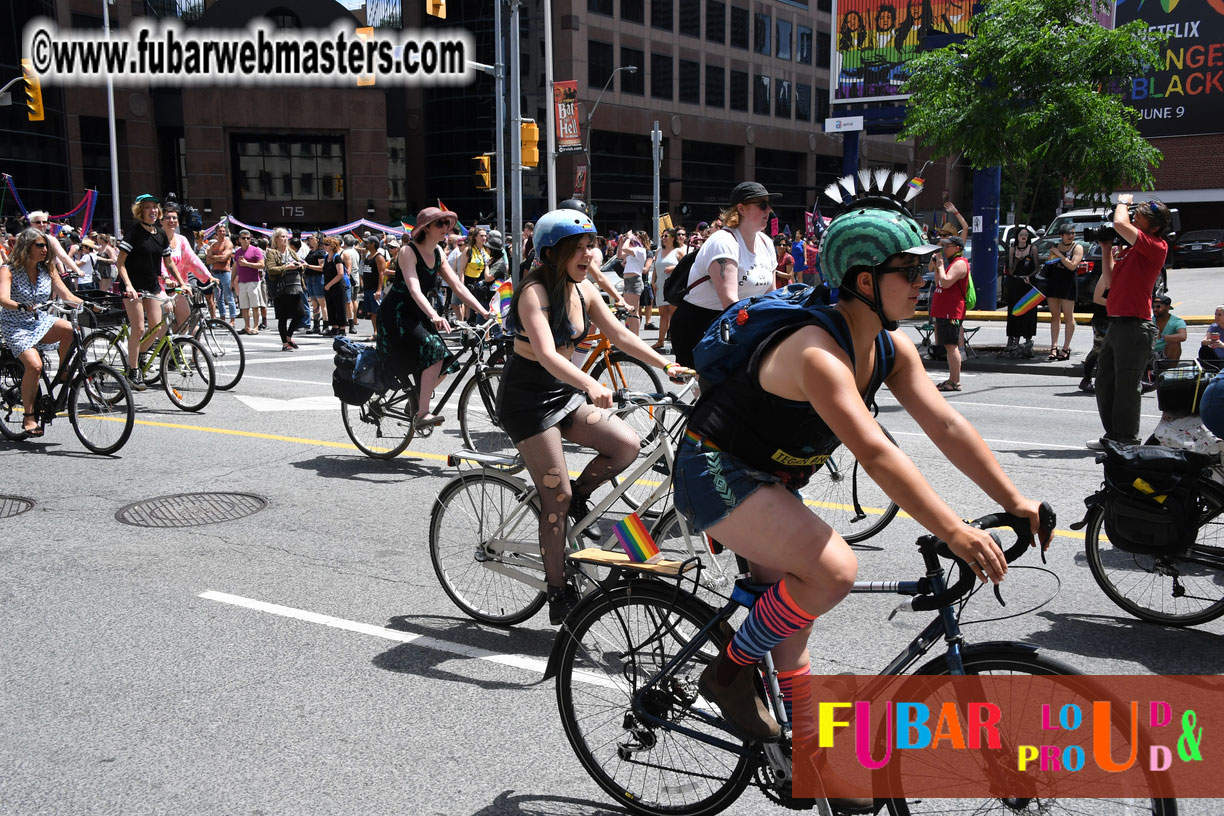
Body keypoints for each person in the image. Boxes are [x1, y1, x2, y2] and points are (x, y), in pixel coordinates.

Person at [672, 196, 1050, 749]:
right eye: (911, 270)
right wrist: (955, 531)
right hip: (717, 471)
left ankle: (806, 759)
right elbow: (875, 454)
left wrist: (1015, 500)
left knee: (792, 630)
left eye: (924, 267)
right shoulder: (815, 353)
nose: (924, 279)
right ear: (865, 281)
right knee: (833, 571)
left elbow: (945, 425)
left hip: (772, 481)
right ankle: (726, 673)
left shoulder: (888, 345)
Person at [496, 208, 694, 624]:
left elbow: (620, 334)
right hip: (527, 402)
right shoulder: (533, 292)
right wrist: (590, 384)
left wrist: (665, 364)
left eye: (591, 245)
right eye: (579, 248)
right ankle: (558, 589)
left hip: (561, 392)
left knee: (627, 445)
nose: (589, 254)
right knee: (557, 496)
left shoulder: (582, 288)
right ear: (552, 253)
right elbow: (548, 354)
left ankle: (579, 497)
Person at [378, 207, 491, 425]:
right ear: (426, 228)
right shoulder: (408, 252)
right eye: (440, 224)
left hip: (418, 313)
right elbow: (414, 288)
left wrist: (483, 311)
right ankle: (422, 414)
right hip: (397, 314)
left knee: (447, 361)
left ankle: (417, 402)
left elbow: (458, 286)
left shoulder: (438, 252)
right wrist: (434, 315)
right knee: (435, 350)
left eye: (448, 224)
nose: (446, 228)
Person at [1089, 195, 1172, 449]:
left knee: (1126, 386)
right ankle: (1113, 435)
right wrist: (1106, 249)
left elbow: (1120, 224)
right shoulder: (1131, 249)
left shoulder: (1156, 246)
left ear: (1155, 226)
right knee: (1104, 381)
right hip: (1118, 323)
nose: (1135, 215)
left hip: (1136, 326)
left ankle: (1125, 439)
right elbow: (1111, 282)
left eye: (1142, 214)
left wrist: (1123, 202)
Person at [671, 182, 780, 367]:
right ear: (741, 208)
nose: (769, 210)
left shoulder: (766, 242)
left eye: (769, 204)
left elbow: (771, 296)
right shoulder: (724, 242)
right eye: (762, 204)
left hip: (738, 322)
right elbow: (729, 301)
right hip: (702, 326)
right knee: (718, 393)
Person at [0, 229, 89, 436]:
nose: (45, 249)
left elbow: (67, 296)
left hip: (38, 320)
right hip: (15, 324)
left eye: (46, 245)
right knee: (35, 366)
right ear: (26, 246)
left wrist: (90, 304)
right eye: (40, 245)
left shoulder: (47, 269)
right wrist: (20, 306)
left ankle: (64, 370)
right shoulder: (9, 270)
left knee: (69, 329)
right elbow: (3, 299)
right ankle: (29, 416)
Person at [115, 194, 181, 390]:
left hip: (152, 286)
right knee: (139, 328)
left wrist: (181, 282)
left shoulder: (160, 234)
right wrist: (128, 286)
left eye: (155, 207)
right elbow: (120, 263)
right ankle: (133, 370)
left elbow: (168, 262)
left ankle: (138, 353)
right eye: (147, 207)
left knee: (158, 326)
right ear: (140, 211)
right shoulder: (133, 233)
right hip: (133, 287)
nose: (152, 210)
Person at [930, 234, 969, 391]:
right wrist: (937, 266)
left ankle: (955, 381)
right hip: (944, 309)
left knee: (952, 346)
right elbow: (938, 282)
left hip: (952, 311)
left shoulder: (960, 263)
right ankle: (952, 379)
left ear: (957, 248)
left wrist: (940, 264)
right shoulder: (951, 263)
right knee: (948, 346)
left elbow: (946, 283)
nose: (944, 249)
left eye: (947, 246)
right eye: (944, 246)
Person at [1043, 225, 1082, 361]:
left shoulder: (1077, 247)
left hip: (1068, 284)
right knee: (1054, 316)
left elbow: (1072, 265)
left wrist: (1058, 254)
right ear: (1061, 235)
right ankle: (1054, 346)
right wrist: (1051, 256)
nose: (1071, 236)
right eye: (1067, 233)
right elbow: (1049, 263)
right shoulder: (1055, 246)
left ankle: (1066, 348)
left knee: (1068, 317)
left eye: (1072, 233)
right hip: (1054, 282)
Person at [264, 227, 306, 351]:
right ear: (276, 239)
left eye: (286, 236)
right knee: (283, 317)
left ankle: (288, 336)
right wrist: (286, 267)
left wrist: (299, 266)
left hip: (295, 288)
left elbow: (302, 265)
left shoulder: (291, 251)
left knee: (300, 313)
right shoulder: (272, 253)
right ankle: (284, 343)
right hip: (280, 289)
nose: (285, 239)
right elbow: (271, 270)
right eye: (282, 236)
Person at [1003, 227, 1038, 358]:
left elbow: (1037, 267)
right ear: (1017, 237)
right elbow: (1010, 271)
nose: (1023, 237)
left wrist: (1030, 276)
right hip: (1015, 283)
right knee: (1014, 311)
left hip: (1028, 284)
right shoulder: (1012, 249)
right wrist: (1017, 259)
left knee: (1029, 311)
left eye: (1025, 235)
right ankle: (1013, 338)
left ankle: (1028, 340)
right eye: (1021, 235)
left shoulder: (1032, 249)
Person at [651, 227, 686, 351]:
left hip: (673, 285)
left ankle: (676, 342)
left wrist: (673, 268)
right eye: (663, 236)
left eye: (666, 236)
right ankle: (660, 341)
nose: (664, 238)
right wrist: (653, 281)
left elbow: (685, 268)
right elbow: (655, 268)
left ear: (673, 238)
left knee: (674, 314)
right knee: (663, 314)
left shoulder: (678, 252)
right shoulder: (658, 251)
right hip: (660, 285)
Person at [616, 230, 652, 335]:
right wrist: (621, 242)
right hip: (628, 281)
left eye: (636, 238)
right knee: (629, 311)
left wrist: (628, 238)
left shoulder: (640, 250)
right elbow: (620, 255)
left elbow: (625, 249)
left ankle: (635, 336)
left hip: (634, 281)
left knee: (633, 311)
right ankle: (631, 335)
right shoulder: (632, 252)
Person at [232, 230, 266, 336]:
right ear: (239, 240)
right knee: (244, 306)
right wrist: (232, 280)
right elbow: (235, 267)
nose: (246, 240)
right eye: (243, 238)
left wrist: (248, 264)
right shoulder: (237, 252)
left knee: (255, 305)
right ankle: (247, 326)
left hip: (254, 282)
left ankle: (255, 326)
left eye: (248, 238)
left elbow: (262, 265)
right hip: (242, 282)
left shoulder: (256, 250)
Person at [456, 227, 491, 323]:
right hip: (470, 282)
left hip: (483, 283)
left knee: (483, 308)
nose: (484, 238)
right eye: (481, 236)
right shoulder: (468, 250)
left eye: (485, 235)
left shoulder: (486, 249)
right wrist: (461, 286)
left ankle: (483, 334)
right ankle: (469, 331)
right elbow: (461, 269)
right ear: (475, 237)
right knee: (471, 309)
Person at [205, 224, 237, 326]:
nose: (222, 233)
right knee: (219, 297)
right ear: (216, 233)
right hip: (215, 273)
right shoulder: (213, 246)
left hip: (225, 272)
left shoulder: (228, 243)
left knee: (229, 296)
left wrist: (213, 257)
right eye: (220, 231)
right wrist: (217, 257)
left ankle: (232, 320)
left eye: (224, 231)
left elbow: (224, 258)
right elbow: (208, 260)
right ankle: (222, 319)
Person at [361, 235, 390, 339]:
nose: (365, 244)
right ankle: (376, 332)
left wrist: (379, 290)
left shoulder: (379, 257)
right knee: (372, 313)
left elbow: (382, 273)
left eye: (367, 242)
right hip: (368, 289)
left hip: (375, 289)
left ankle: (380, 333)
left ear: (373, 244)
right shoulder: (368, 256)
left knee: (377, 312)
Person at [321, 236, 350, 337]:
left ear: (332, 246)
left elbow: (340, 274)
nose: (324, 246)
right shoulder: (326, 257)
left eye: (326, 244)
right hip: (328, 286)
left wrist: (329, 285)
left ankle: (342, 329)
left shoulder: (337, 257)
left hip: (337, 286)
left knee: (340, 307)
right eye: (324, 244)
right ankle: (334, 327)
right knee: (331, 306)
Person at [301, 232, 328, 334]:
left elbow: (322, 268)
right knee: (314, 303)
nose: (310, 240)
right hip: (310, 278)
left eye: (312, 238)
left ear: (317, 240)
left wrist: (307, 265)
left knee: (322, 303)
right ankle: (316, 325)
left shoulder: (321, 252)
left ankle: (325, 325)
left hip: (318, 278)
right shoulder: (311, 251)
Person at [1151, 295, 1186, 368]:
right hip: (1148, 353)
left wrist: (1162, 337)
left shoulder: (1177, 321)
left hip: (1164, 354)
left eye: (1158, 307)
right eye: (1153, 307)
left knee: (1174, 344)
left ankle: (1170, 372)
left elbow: (1183, 336)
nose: (1155, 309)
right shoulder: (1149, 321)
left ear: (1167, 307)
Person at [1197, 305, 1224, 371]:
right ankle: (1210, 370)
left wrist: (1222, 345)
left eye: (1219, 315)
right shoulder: (1214, 327)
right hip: (1216, 358)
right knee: (1204, 349)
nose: (1216, 317)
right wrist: (1210, 341)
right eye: (1215, 314)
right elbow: (1203, 342)